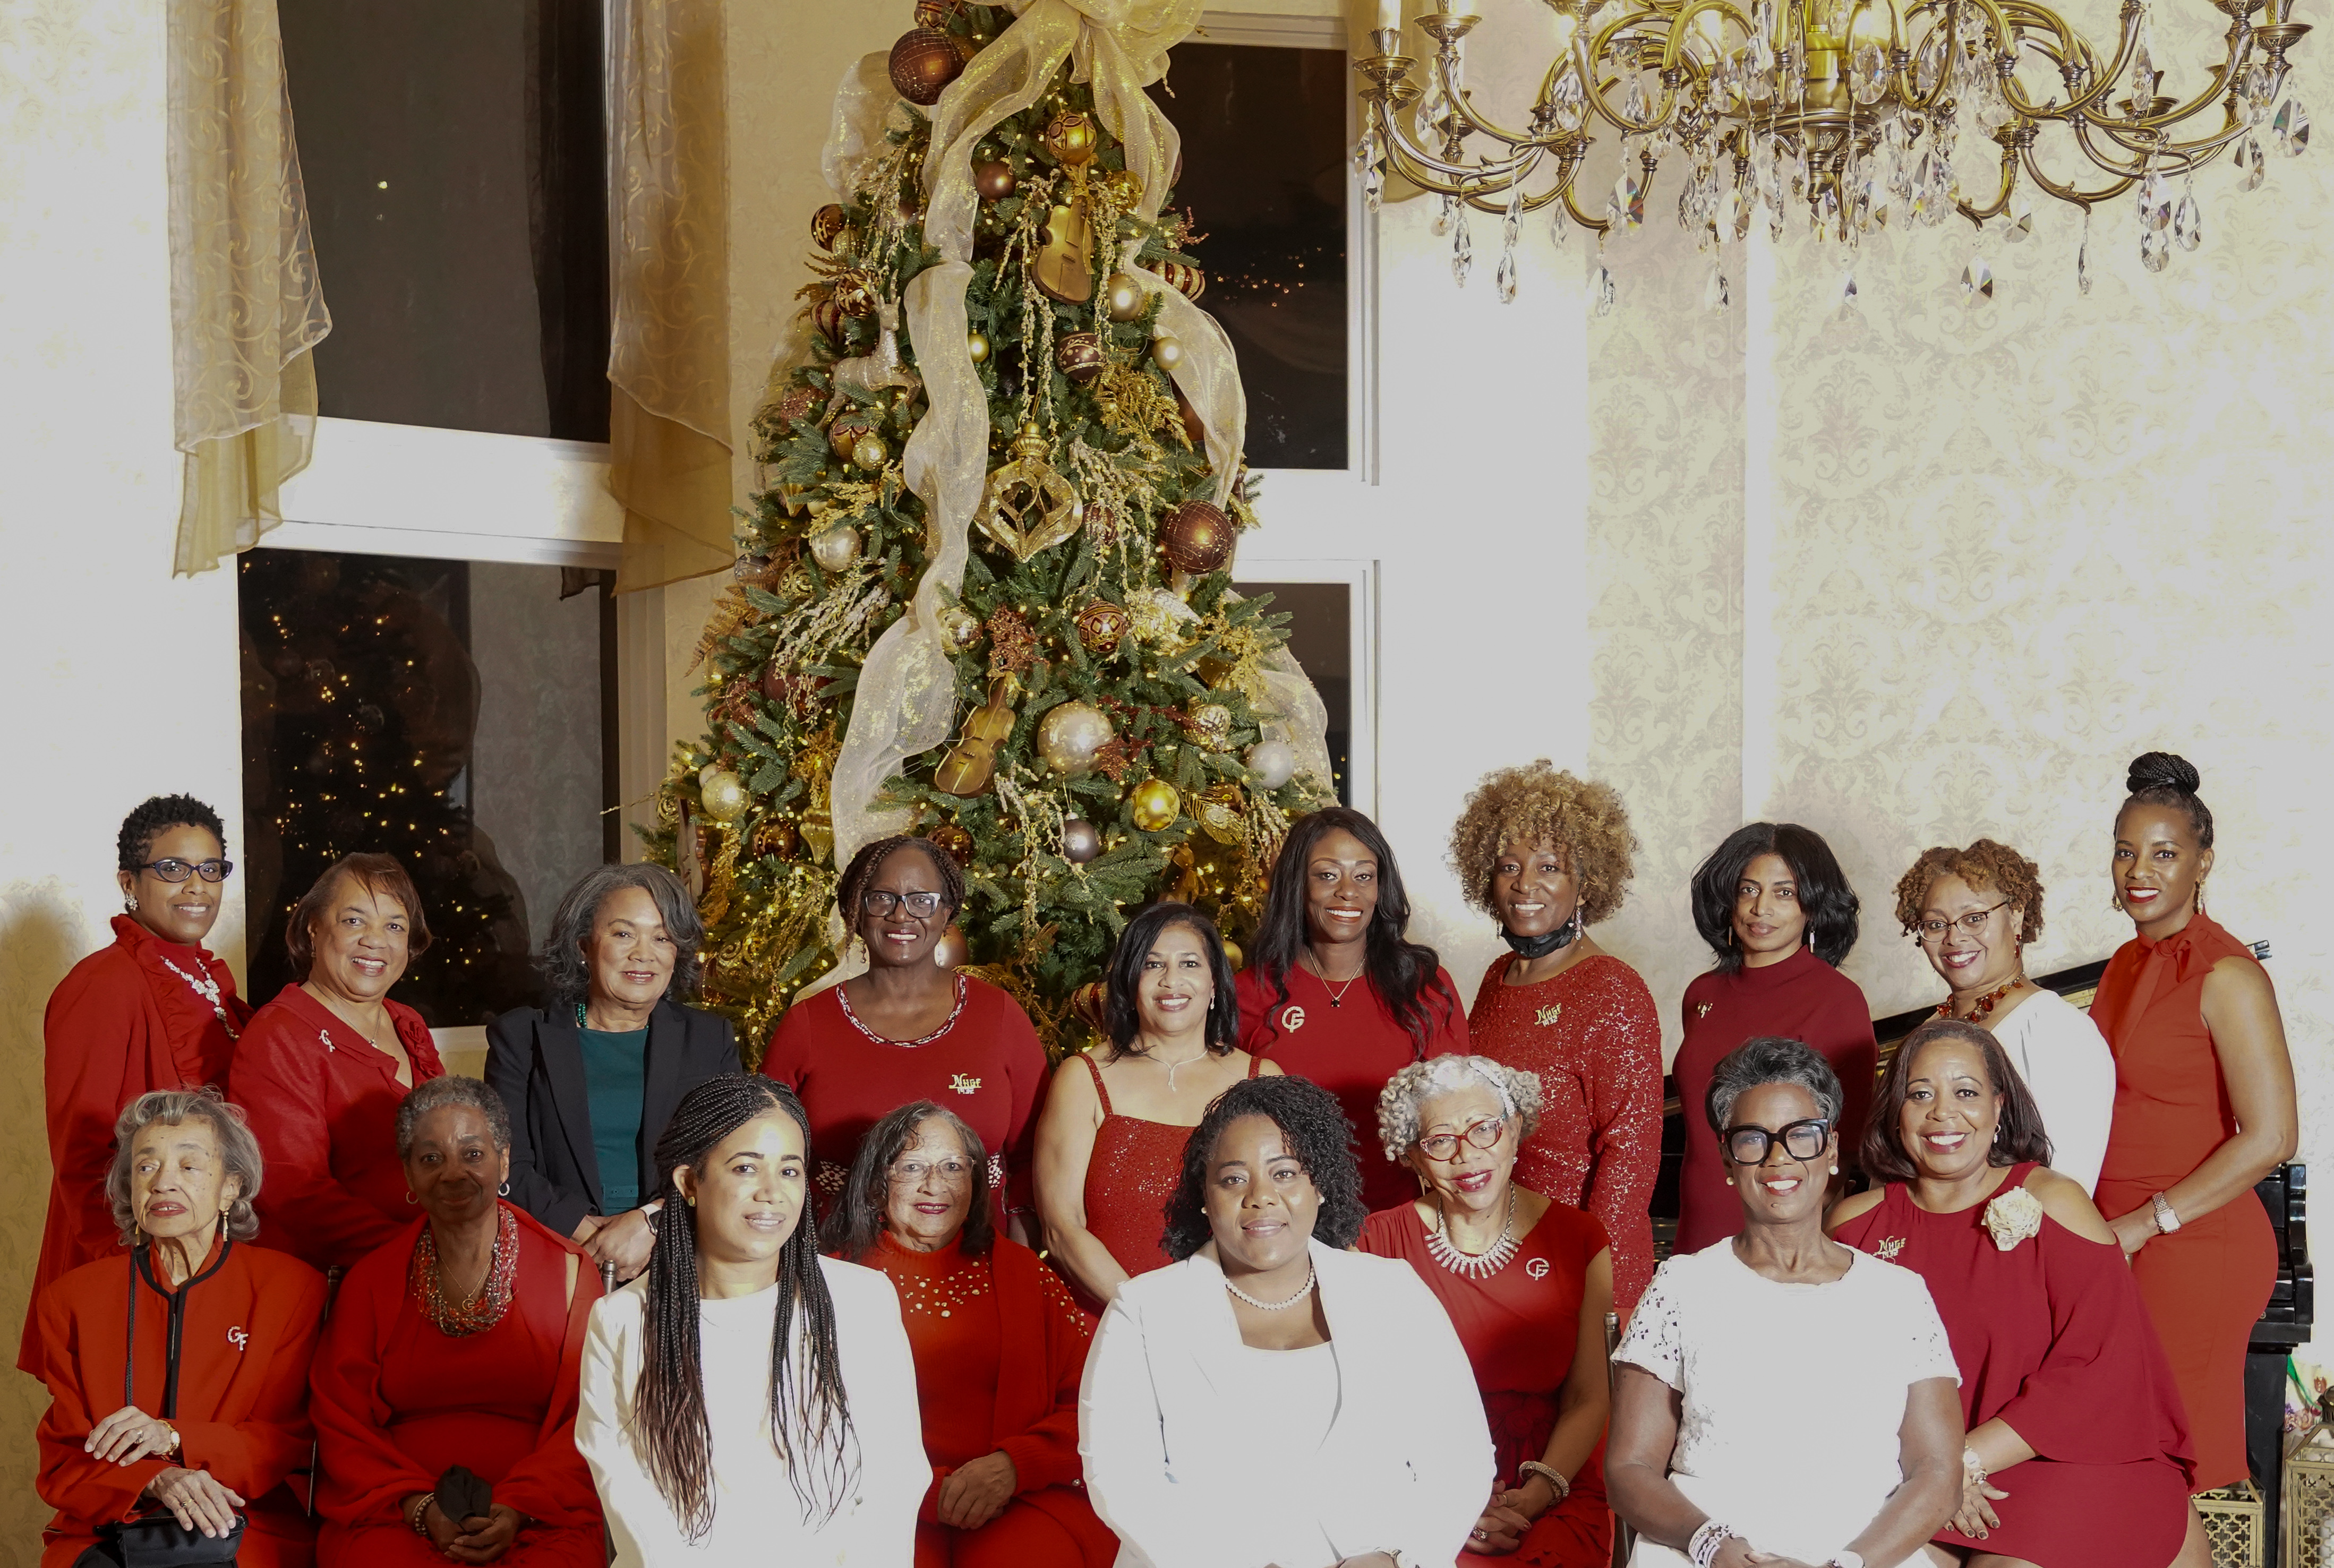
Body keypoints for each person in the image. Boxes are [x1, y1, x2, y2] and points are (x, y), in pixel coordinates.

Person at [1829, 1018, 2208, 1568]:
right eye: (1920, 1094)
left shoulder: (2054, 1201)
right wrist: (1929, 1471)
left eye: (1966, 1092)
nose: (1942, 1113)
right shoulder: (1854, 1227)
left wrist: (1961, 1462)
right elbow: (1837, 1379)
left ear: (1999, 1106)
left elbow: (2101, 1367)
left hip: (2071, 1459)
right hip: (1914, 1468)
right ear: (1896, 1110)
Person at [1079, 1074, 1492, 1567]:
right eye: (1233, 1179)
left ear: (1319, 1185)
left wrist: (1397, 1556)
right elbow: (1121, 1478)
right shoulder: (1143, 1310)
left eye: (1285, 1172)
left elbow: (1460, 1457)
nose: (1261, 1196)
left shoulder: (1393, 1292)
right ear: (1205, 1196)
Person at [1607, 1038, 1963, 1567]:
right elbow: (1629, 1469)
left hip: (1862, 1554)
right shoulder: (1681, 1285)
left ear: (1831, 1149)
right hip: (1704, 1551)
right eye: (1753, 1139)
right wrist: (1713, 1545)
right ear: (1728, 1159)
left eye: (1801, 1135)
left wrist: (1846, 1565)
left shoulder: (1899, 1294)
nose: (1778, 1158)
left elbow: (1937, 1472)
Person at [575, 1074, 926, 1562]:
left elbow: (895, 1479)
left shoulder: (862, 1302)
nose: (772, 1192)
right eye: (745, 1167)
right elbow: (631, 1503)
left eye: (790, 1170)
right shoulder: (622, 1320)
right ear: (689, 1182)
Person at [2090, 752, 2297, 1492]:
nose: (2138, 870)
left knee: (2163, 1467)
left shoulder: (2227, 974)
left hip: (2193, 1242)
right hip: (2116, 1237)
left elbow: (2273, 1137)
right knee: (2118, 1457)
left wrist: (2145, 1223)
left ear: (2202, 862)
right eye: (2125, 852)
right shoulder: (2122, 963)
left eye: (2164, 853)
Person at [311, 1077, 605, 1563]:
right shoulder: (371, 1280)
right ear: (408, 1174)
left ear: (504, 1161)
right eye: (431, 1158)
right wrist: (420, 1507)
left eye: (472, 1154)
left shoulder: (570, 1271)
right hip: (397, 1509)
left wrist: (519, 1506)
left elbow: (593, 1414)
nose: (453, 1174)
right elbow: (343, 1421)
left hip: (543, 1509)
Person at [32, 1089, 327, 1568]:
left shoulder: (291, 1290)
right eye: (146, 1167)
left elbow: (282, 1441)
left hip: (241, 1521)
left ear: (231, 1187)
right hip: (110, 1527)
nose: (163, 1182)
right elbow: (64, 1461)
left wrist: (171, 1437)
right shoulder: (71, 1300)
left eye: (189, 1166)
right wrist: (153, 1478)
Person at [24, 794, 256, 1375]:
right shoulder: (102, 984)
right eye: (173, 869)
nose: (197, 886)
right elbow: (82, 1154)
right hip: (135, 1259)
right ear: (129, 882)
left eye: (211, 868)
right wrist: (138, 1274)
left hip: (200, 1249)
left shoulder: (208, 978)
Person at [832, 1101, 1118, 1568]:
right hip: (873, 1498)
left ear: (976, 1179)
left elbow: (1095, 1404)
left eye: (953, 1166)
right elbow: (806, 1426)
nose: (935, 1185)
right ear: (875, 1180)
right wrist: (923, 1489)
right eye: (912, 1166)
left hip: (1019, 1495)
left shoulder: (1028, 1274)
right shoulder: (832, 1280)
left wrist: (1016, 1465)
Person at [1361, 1056, 1614, 1566]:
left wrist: (1538, 1492)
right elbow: (1369, 1403)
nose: (1467, 1154)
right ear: (1412, 1156)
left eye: (1484, 1128)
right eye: (1440, 1140)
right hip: (1417, 1477)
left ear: (1515, 1127)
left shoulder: (1580, 1237)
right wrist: (1450, 1503)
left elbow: (1589, 1395)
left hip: (1549, 1474)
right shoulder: (1374, 1242)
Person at [1447, 762, 1661, 1312]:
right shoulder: (1497, 977)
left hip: (1581, 1262)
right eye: (1509, 866)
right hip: (1496, 1251)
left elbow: (1630, 1155)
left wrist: (1596, 1280)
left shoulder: (1611, 988)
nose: (1525, 884)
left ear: (1585, 883)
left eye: (1549, 866)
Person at [763, 835, 1048, 1232]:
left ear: (946, 912)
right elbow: (766, 1152)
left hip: (976, 1252)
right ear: (855, 910)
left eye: (921, 900)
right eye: (882, 898)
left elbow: (1033, 1154)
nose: (901, 915)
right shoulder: (807, 1024)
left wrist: (1020, 1241)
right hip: (839, 1254)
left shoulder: (998, 1015)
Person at [486, 863, 740, 1287]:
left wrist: (650, 1221)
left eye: (662, 937)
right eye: (623, 934)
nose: (644, 953)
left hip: (679, 1256)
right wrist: (589, 1235)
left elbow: (728, 1159)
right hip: (554, 1256)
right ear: (583, 946)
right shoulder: (522, 1037)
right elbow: (504, 1163)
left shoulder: (708, 1040)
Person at [1034, 902, 1278, 1306]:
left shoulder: (1262, 1080)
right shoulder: (1084, 1078)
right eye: (1152, 965)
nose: (1171, 980)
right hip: (1111, 1317)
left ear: (1215, 983)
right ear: (1131, 982)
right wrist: (1144, 1315)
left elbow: (1287, 1212)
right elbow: (1062, 1228)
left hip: (1235, 1317)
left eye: (1189, 964)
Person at [1236, 806, 1469, 1214]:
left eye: (1364, 876)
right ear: (1297, 883)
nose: (1348, 891)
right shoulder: (1248, 993)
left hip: (1396, 1221)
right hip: (1280, 1223)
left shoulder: (1423, 985)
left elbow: (1460, 1118)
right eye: (1327, 875)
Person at [230, 852, 447, 1272]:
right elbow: (296, 1193)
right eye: (354, 920)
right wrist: (419, 1255)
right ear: (313, 927)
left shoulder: (408, 1023)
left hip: (432, 1254)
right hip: (337, 1275)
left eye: (395, 926)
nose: (375, 940)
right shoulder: (277, 1035)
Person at [1671, 823, 1877, 1253]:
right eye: (1748, 890)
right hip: (1696, 1224)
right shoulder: (1701, 994)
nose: (1760, 907)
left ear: (1812, 906)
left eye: (1784, 892)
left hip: (1781, 1234)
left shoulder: (1838, 999)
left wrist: (1793, 1238)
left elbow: (1846, 1150)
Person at [1893, 838, 2117, 1193]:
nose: (1954, 938)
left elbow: (2069, 1188)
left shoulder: (2058, 1030)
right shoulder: (1925, 1034)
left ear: (2016, 915)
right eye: (1936, 924)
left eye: (1974, 919)